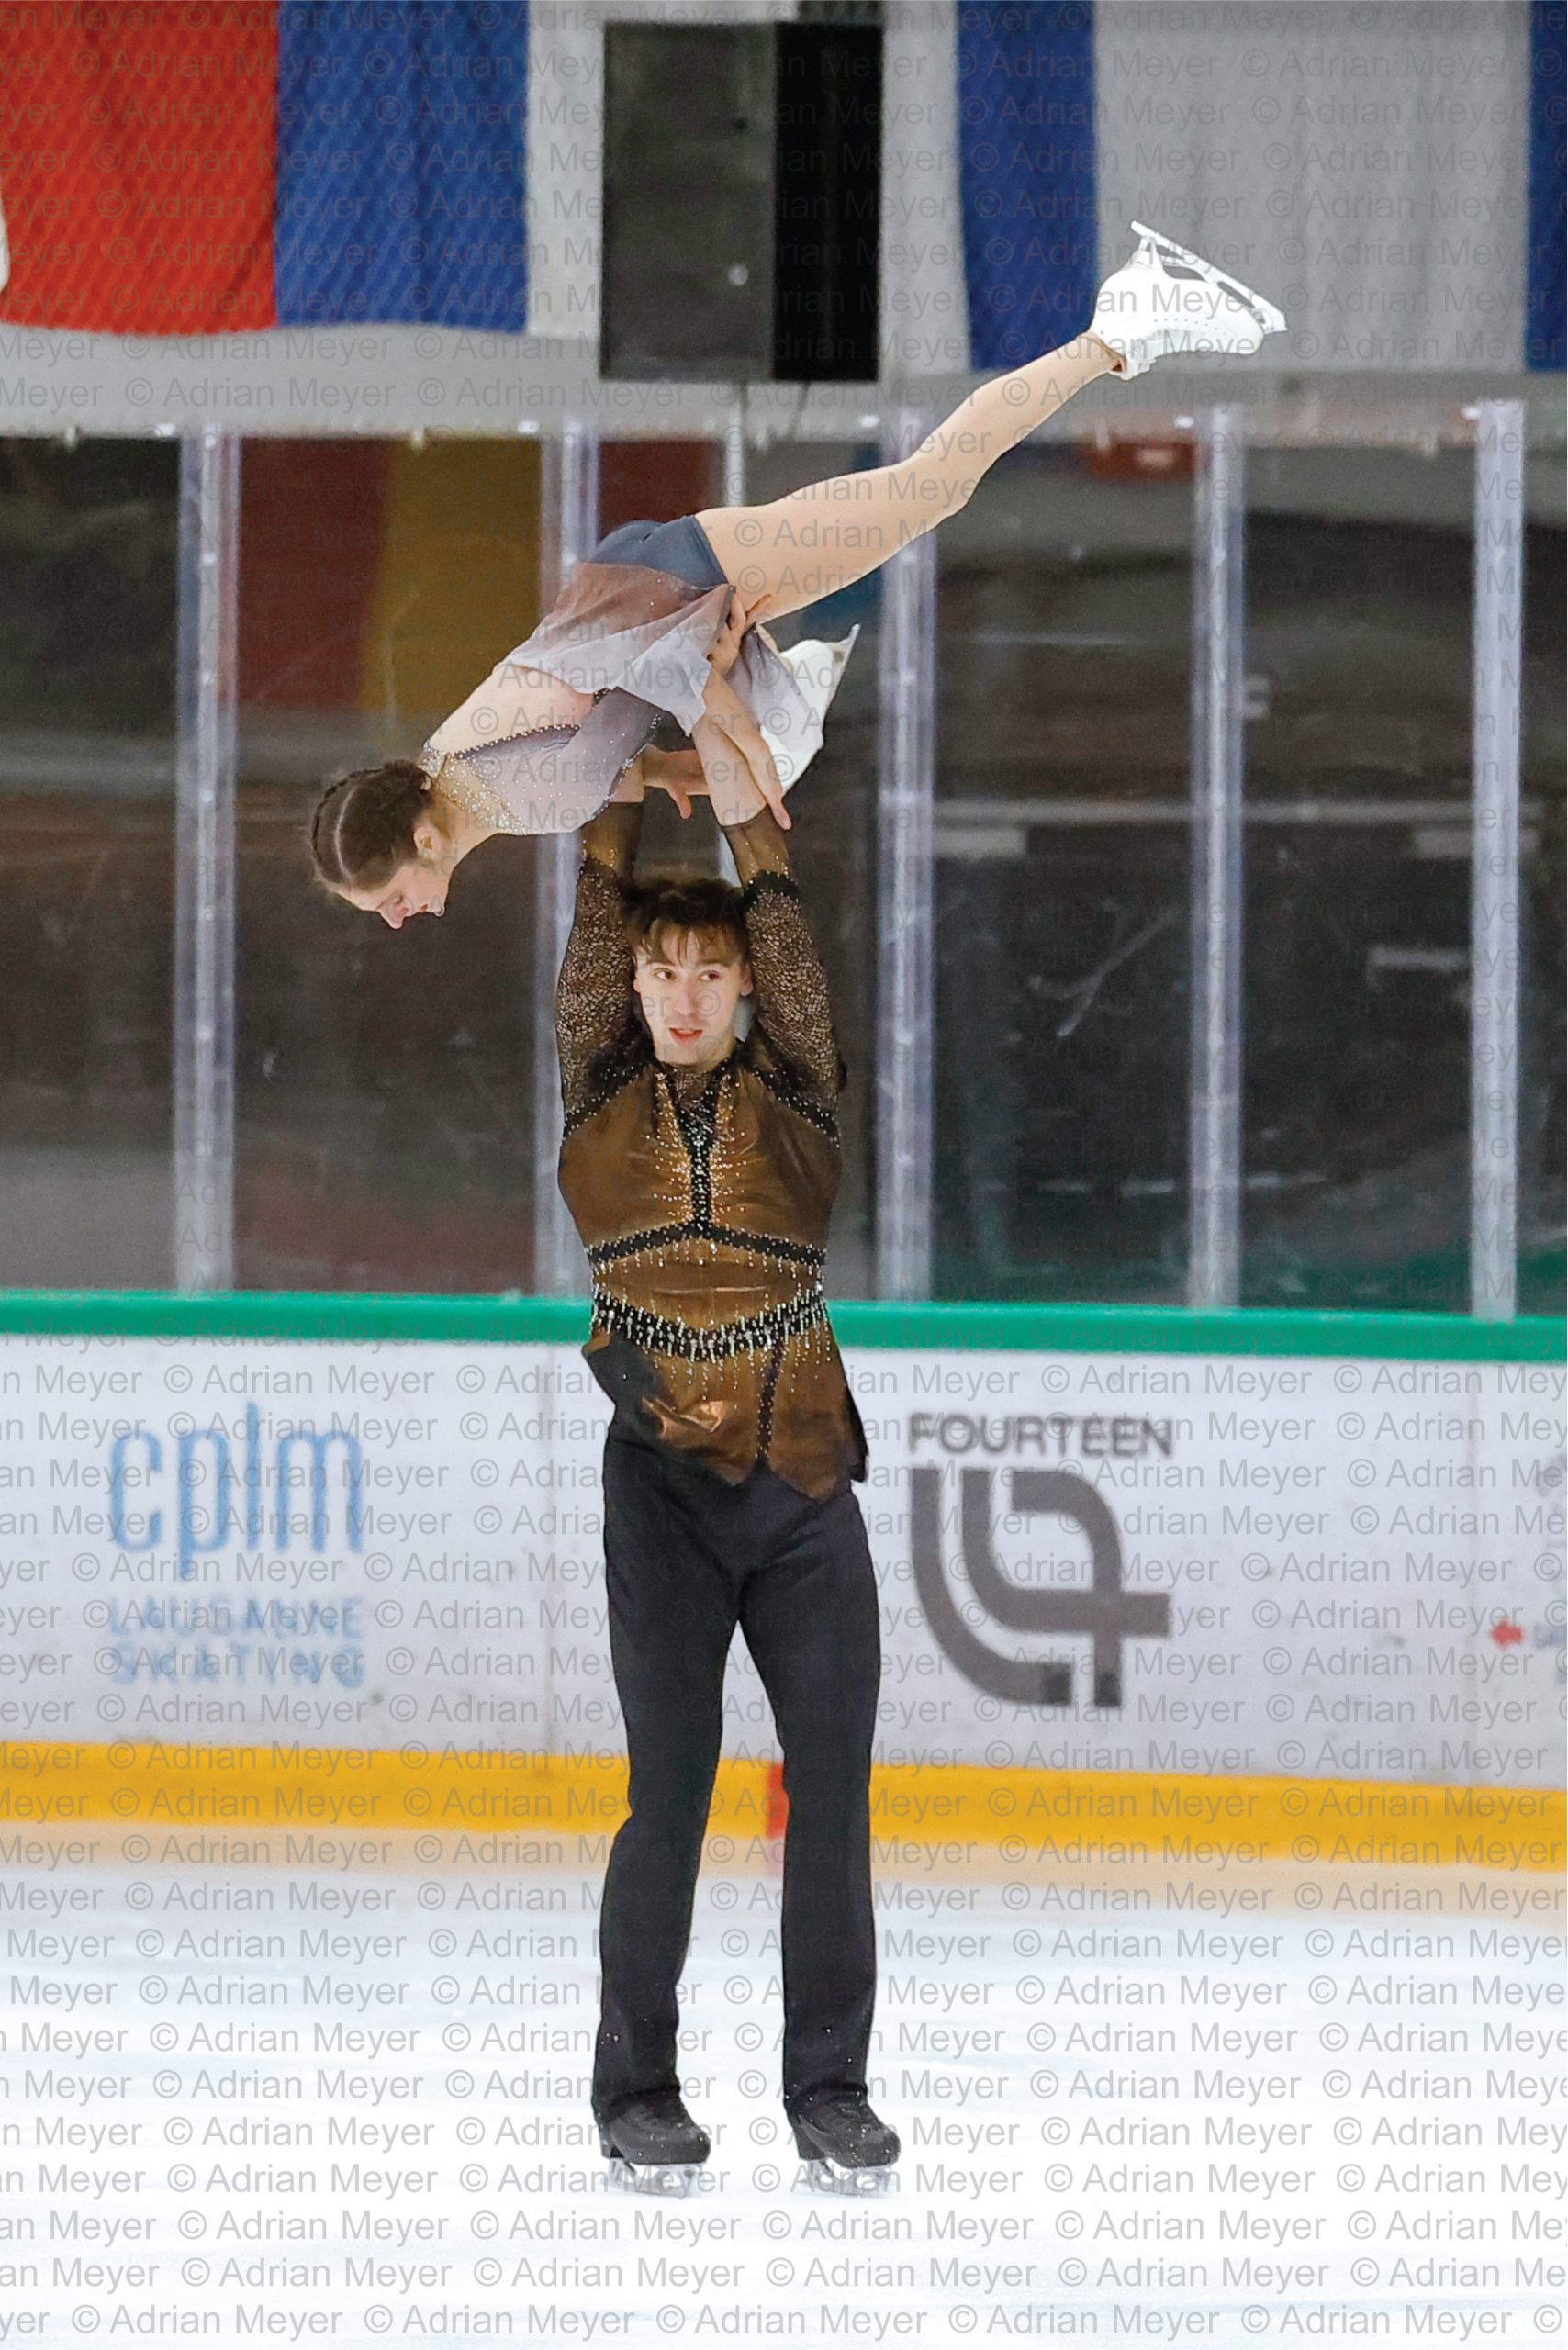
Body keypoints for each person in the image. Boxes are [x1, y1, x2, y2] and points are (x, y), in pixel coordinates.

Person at [308, 223, 1285, 921]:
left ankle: (1121, 324)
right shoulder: (461, 778)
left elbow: (616, 704)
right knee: (924, 496)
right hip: (665, 587)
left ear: (421, 842)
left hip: (683, 587)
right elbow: (598, 720)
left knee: (931, 486)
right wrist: (683, 748)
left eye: (388, 896)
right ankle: (1124, 330)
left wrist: (720, 723)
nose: (397, 918)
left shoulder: (502, 799)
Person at [553, 648, 890, 2194]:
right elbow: (592, 914)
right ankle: (637, 2090)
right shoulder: (594, 1087)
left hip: (805, 1482)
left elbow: (784, 910)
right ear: (631, 992)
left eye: (708, 973)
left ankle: (828, 2088)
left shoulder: (800, 1082)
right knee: (668, 1792)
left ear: (743, 989)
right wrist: (621, 776)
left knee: (826, 1790)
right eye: (657, 973)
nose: (681, 992)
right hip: (663, 1497)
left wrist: (741, 783)